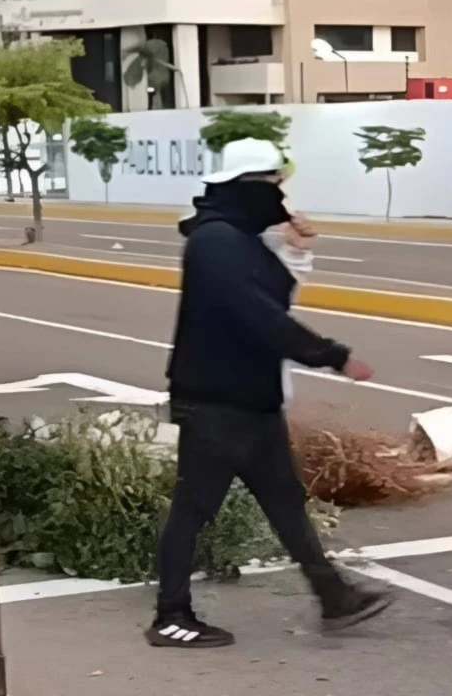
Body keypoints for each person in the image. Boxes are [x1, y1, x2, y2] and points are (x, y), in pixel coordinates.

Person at [149, 138, 392, 649]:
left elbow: (273, 296)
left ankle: (333, 596)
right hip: (215, 405)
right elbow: (260, 318)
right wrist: (334, 355)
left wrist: (294, 250)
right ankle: (170, 617)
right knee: (193, 511)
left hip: (252, 403)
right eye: (272, 185)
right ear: (246, 187)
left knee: (286, 503)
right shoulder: (214, 241)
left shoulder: (239, 240)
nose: (280, 196)